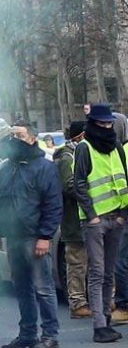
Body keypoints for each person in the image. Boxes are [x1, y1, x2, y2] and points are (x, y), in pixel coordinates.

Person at [0, 122, 62, 348]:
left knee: (43, 288)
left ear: (32, 139)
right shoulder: (7, 167)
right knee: (22, 288)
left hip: (34, 237)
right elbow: (0, 202)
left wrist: (45, 236)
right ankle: (27, 335)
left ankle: (50, 335)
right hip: (13, 238)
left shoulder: (44, 167)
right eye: (11, 135)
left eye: (20, 135)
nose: (14, 140)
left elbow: (53, 204)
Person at [73, 103, 127, 343]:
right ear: (93, 123)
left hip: (115, 218)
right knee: (97, 273)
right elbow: (80, 184)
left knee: (108, 273)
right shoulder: (84, 148)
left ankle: (105, 319)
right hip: (95, 221)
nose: (106, 126)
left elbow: (124, 179)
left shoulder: (117, 147)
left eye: (109, 123)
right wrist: (92, 215)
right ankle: (99, 325)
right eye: (102, 123)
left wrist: (122, 214)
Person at [53, 121, 91, 319]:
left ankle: (89, 301)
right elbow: (69, 186)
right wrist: (89, 189)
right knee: (76, 264)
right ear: (79, 137)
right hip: (73, 221)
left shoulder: (81, 153)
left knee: (90, 264)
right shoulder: (67, 158)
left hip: (85, 219)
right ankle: (77, 303)